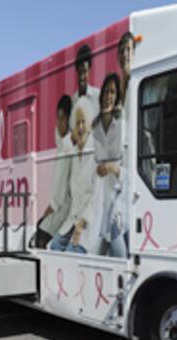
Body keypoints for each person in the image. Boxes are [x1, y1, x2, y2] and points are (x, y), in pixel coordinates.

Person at [49, 96, 100, 255]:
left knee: (71, 254)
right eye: (77, 123)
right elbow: (62, 150)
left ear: (90, 124)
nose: (80, 127)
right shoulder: (73, 152)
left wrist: (82, 223)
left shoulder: (95, 153)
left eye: (83, 122)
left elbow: (96, 196)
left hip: (88, 223)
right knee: (53, 247)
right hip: (72, 220)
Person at [92, 73, 127, 257]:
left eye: (112, 92)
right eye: (105, 92)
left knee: (120, 258)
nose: (108, 96)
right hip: (100, 204)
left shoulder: (122, 124)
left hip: (119, 204)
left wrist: (114, 168)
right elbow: (89, 163)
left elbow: (130, 168)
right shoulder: (94, 126)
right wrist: (96, 169)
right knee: (99, 256)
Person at [33, 95, 72, 248]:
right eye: (58, 118)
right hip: (61, 206)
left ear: (69, 120)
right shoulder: (62, 144)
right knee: (41, 226)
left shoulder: (67, 148)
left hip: (64, 208)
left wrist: (51, 207)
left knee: (41, 230)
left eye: (63, 118)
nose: (59, 123)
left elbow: (61, 184)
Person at [70, 43, 100, 135]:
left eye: (85, 72)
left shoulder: (98, 95)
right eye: (80, 72)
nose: (82, 76)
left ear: (89, 71)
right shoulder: (72, 101)